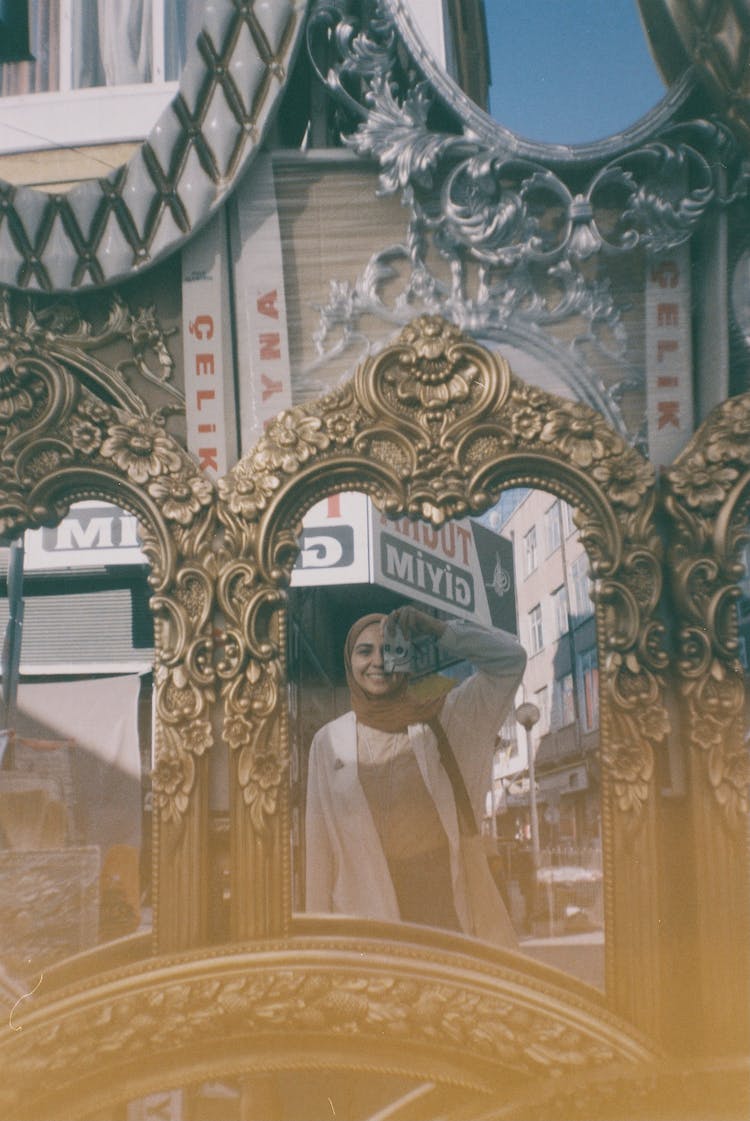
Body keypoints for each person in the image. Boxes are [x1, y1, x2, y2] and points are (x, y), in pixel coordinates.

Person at [305, 605, 527, 948]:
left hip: (440, 913)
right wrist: (318, 945)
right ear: (350, 661)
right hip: (363, 921)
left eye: (392, 649)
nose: (378, 661)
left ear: (408, 658)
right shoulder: (328, 742)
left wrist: (440, 630)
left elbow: (510, 661)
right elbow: (319, 852)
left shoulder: (443, 717)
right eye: (365, 651)